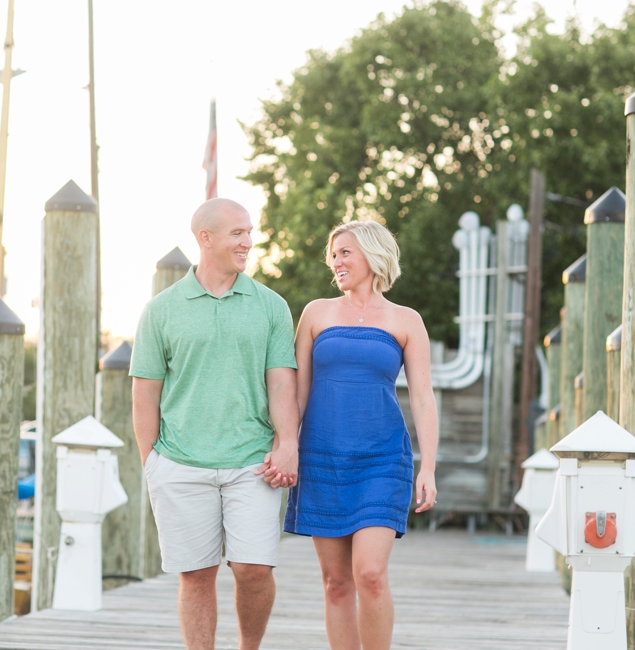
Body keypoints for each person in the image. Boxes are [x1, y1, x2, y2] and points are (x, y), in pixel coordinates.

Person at [130, 197, 299, 650]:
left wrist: (288, 443)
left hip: (252, 461)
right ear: (206, 239)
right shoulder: (161, 310)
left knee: (254, 570)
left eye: (249, 232)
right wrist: (153, 463)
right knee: (197, 575)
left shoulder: (271, 306)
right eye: (237, 233)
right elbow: (145, 393)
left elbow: (283, 383)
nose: (248, 241)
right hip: (180, 464)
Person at [279, 220, 439, 650]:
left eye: (345, 252)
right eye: (333, 254)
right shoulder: (316, 312)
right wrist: (286, 446)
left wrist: (429, 468)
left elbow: (423, 399)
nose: (336, 261)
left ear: (372, 253)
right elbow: (298, 389)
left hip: (382, 460)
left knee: (369, 575)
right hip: (322, 458)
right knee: (335, 583)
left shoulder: (406, 320)